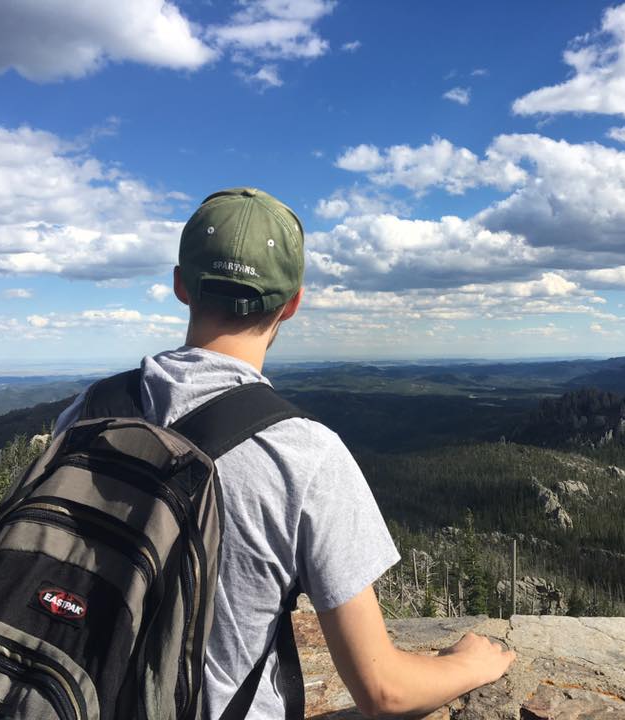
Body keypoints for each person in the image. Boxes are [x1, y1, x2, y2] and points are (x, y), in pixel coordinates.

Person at [55, 187, 515, 718]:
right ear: (292, 303)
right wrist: (471, 663)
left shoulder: (88, 412)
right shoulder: (304, 454)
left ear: (181, 285)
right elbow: (384, 691)